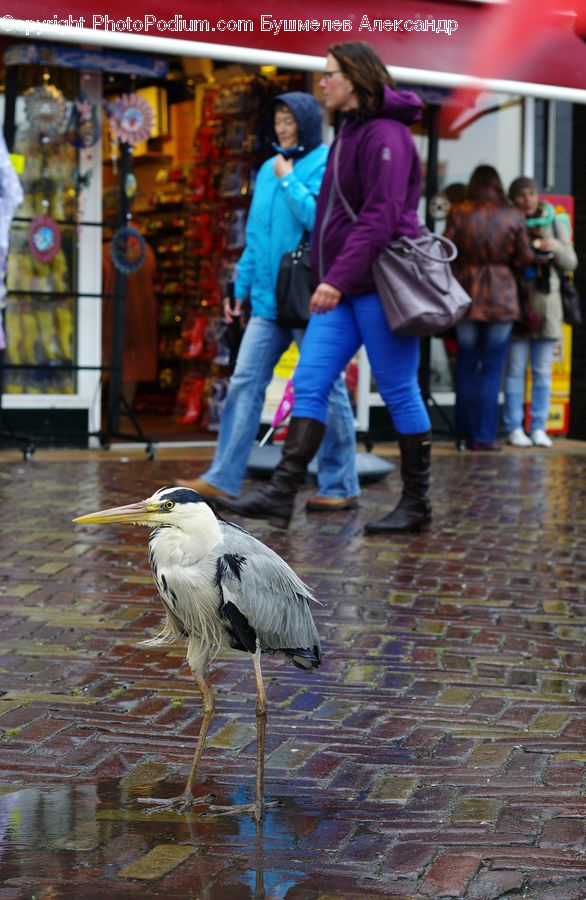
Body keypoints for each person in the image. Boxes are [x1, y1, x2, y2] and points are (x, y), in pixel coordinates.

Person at [217, 41, 432, 533]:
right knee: (309, 382)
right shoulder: (350, 131)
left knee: (398, 390)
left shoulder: (387, 135)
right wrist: (329, 275)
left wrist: (333, 277)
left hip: (378, 286)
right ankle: (281, 492)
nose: (322, 82)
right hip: (344, 288)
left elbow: (378, 219)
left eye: (330, 74)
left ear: (355, 79)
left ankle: (417, 503)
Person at [178, 92, 359, 509]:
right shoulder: (265, 169)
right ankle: (223, 477)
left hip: (308, 298)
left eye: (290, 120)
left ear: (308, 123)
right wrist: (238, 290)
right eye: (278, 119)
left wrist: (288, 179)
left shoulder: (325, 163)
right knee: (243, 383)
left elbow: (319, 221)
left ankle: (340, 483)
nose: (282, 127)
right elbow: (255, 236)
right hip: (266, 302)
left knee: (324, 389)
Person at [443, 165, 534, 450]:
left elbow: (445, 250)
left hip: (466, 296)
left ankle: (463, 435)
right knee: (493, 367)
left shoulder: (459, 210)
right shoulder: (512, 214)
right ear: (497, 184)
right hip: (502, 298)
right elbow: (524, 257)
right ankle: (484, 435)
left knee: (467, 364)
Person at [503, 176, 578, 448]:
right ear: (514, 199)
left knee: (543, 370)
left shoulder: (553, 220)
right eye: (522, 195)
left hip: (548, 306)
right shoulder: (510, 222)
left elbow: (571, 261)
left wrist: (555, 246)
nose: (528, 200)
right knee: (514, 370)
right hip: (518, 306)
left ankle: (539, 426)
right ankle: (513, 426)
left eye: (531, 194)